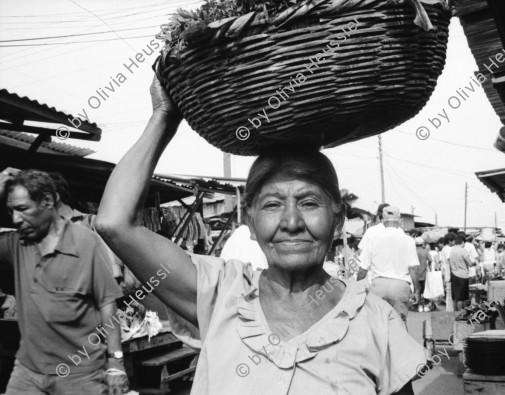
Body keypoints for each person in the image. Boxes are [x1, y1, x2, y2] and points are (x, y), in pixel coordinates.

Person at [94, 77, 428, 395]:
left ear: (338, 219)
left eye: (309, 202)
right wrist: (164, 117)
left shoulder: (375, 320)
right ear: (250, 223)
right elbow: (114, 223)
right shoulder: (220, 293)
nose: (292, 221)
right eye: (272, 205)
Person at [0, 168, 128, 395]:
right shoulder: (17, 244)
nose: (16, 219)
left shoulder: (87, 239)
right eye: (12, 211)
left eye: (23, 208)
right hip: (29, 370)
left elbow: (108, 303)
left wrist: (116, 363)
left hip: (80, 370)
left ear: (49, 201)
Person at [357, 206, 420, 323]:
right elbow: (414, 268)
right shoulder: (408, 240)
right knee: (399, 324)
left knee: (377, 324)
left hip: (377, 286)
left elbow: (362, 269)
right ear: (400, 221)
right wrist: (416, 290)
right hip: (400, 286)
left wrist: (357, 287)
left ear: (382, 221)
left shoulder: (373, 239)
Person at [448, 235, 475, 311]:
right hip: (462, 276)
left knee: (455, 297)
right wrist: (474, 263)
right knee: (461, 298)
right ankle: (460, 313)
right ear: (462, 242)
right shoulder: (462, 250)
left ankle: (455, 313)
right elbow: (469, 263)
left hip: (453, 274)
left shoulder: (452, 250)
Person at [415, 237, 432, 312]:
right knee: (425, 290)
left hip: (415, 274)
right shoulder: (425, 251)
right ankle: (425, 305)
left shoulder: (413, 251)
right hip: (424, 274)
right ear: (422, 244)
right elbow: (430, 260)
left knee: (417, 290)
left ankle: (419, 306)